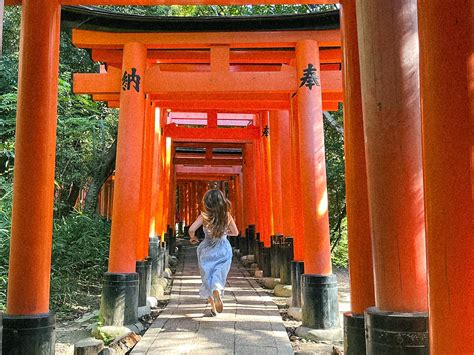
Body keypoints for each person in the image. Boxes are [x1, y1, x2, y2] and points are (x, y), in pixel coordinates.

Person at [188, 189, 239, 316]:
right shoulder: (227, 216)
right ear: (222, 202)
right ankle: (217, 288)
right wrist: (227, 233)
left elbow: (191, 229)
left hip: (207, 249)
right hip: (223, 249)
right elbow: (236, 232)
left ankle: (213, 307)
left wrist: (192, 237)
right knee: (219, 272)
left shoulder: (204, 216)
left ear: (206, 203)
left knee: (207, 277)